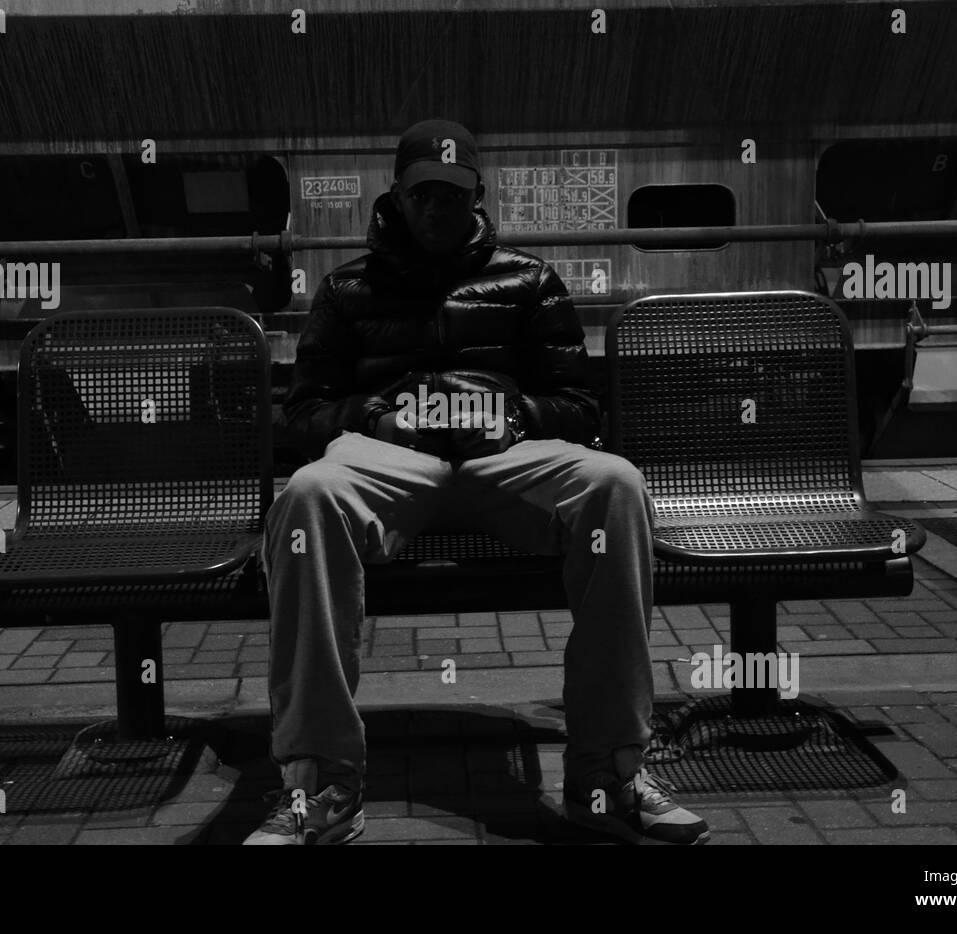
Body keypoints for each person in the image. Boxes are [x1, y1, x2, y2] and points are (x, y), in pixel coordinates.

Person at [245, 118, 709, 846]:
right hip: (391, 461)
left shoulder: (527, 279)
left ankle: (609, 772)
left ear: (478, 198)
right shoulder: (346, 291)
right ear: (396, 197)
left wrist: (516, 412)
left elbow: (582, 407)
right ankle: (321, 782)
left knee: (615, 483)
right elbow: (299, 413)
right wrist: (375, 413)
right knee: (306, 495)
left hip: (503, 461)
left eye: (453, 195)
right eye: (423, 193)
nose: (438, 208)